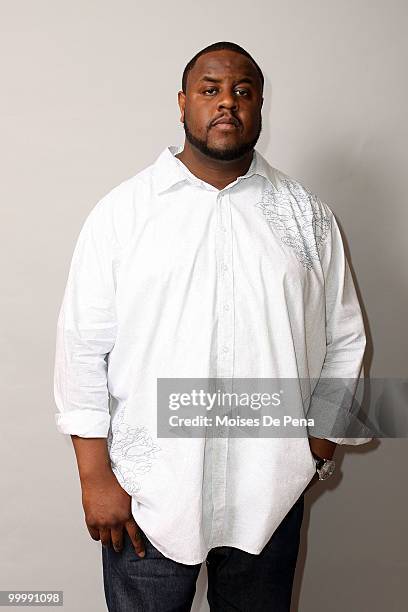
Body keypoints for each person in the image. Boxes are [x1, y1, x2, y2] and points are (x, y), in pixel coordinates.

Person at [53, 41, 371, 611]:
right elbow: (81, 346)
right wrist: (94, 476)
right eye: (211, 89)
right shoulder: (123, 214)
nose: (228, 103)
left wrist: (315, 448)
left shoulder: (307, 216)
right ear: (182, 104)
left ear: (260, 107)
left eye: (243, 91)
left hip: (268, 490)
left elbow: (345, 339)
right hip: (148, 494)